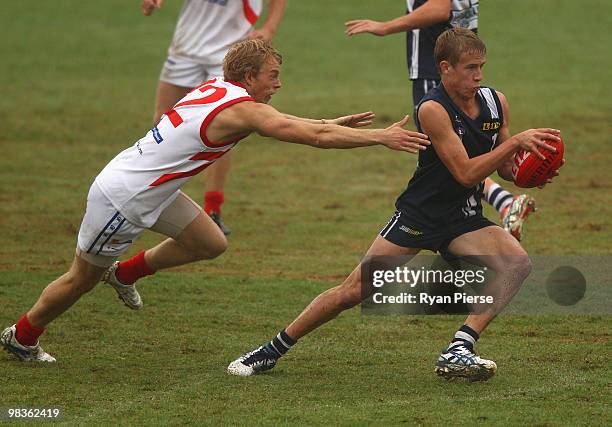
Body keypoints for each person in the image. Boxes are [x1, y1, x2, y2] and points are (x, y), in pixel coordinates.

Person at [1, 39, 431, 362]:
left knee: (210, 242)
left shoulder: (219, 89)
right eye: (272, 76)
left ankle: (125, 274)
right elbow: (310, 137)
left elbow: (289, 123)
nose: (278, 84)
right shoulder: (242, 109)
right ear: (248, 78)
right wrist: (380, 136)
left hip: (151, 188)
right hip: (124, 200)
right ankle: (22, 336)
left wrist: (332, 121)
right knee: (80, 279)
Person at [228, 29, 562, 381]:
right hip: (420, 216)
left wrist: (530, 169)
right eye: (470, 68)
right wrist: (514, 145)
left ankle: (459, 347)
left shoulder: (495, 102)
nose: (478, 77)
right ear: (446, 68)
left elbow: (505, 168)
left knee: (516, 263)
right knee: (353, 292)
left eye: (481, 67)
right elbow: (465, 173)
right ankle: (271, 350)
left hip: (463, 218)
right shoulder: (433, 109)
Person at [344, 0, 535, 241]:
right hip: (459, 54)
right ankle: (498, 205)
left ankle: (502, 203)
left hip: (437, 67)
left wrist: (386, 27)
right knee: (452, 152)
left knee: (445, 154)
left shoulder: (444, 93)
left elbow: (439, 8)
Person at [143, 0, 287, 235]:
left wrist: (270, 27)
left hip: (229, 55)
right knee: (162, 120)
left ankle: (213, 209)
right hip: (185, 48)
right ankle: (151, 196)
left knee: (225, 129)